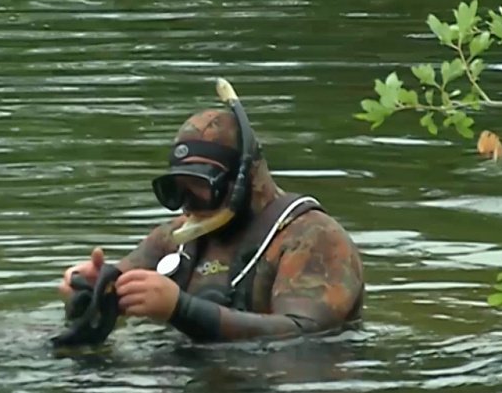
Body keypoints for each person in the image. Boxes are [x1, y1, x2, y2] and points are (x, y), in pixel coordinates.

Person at [57, 99, 365, 343]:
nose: (188, 206)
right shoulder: (176, 237)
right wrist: (90, 292)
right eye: (177, 191)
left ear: (243, 181)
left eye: (201, 188)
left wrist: (181, 309)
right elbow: (120, 289)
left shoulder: (312, 237)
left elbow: (305, 333)